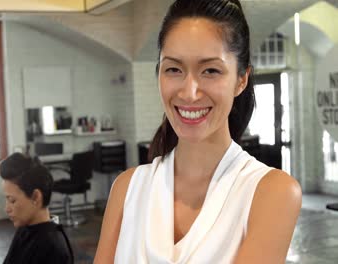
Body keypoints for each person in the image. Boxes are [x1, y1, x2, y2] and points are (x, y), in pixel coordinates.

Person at [94, 0, 302, 263]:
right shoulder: (127, 189)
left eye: (210, 71)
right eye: (173, 69)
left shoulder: (270, 192)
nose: (189, 93)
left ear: (241, 79)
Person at [0, 153, 74, 264]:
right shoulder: (25, 229)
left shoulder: (52, 248)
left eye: (12, 201)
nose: (7, 209)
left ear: (36, 197)